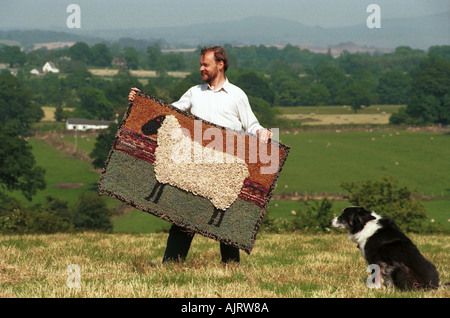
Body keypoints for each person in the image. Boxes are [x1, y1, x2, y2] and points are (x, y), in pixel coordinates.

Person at [128, 46, 272, 264]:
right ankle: (171, 265)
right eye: (201, 64)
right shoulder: (194, 92)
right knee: (183, 216)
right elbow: (168, 112)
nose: (201, 68)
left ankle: (231, 269)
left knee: (226, 222)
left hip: (223, 167)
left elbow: (251, 124)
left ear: (220, 64)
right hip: (196, 167)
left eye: (205, 64)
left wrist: (262, 131)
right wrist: (139, 102)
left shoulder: (237, 95)